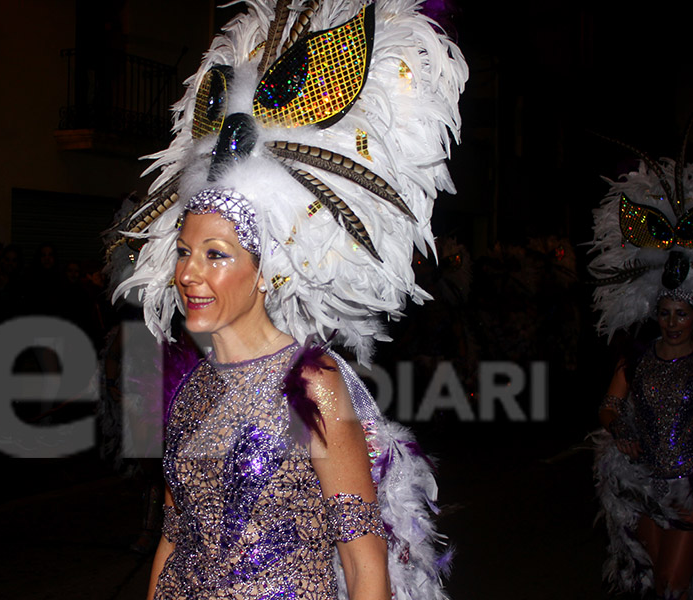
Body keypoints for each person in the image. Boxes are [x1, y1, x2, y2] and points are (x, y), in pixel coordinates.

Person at [108, 1, 467, 598]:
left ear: (265, 270)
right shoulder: (191, 387)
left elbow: (363, 563)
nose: (190, 274)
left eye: (216, 254)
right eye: (185, 252)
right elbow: (173, 537)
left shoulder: (312, 382)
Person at [588, 132, 693, 599]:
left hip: (690, 489)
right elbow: (608, 406)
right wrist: (620, 425)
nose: (672, 324)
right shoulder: (638, 358)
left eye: (683, 314)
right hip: (645, 486)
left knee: (674, 582)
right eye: (665, 314)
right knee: (652, 582)